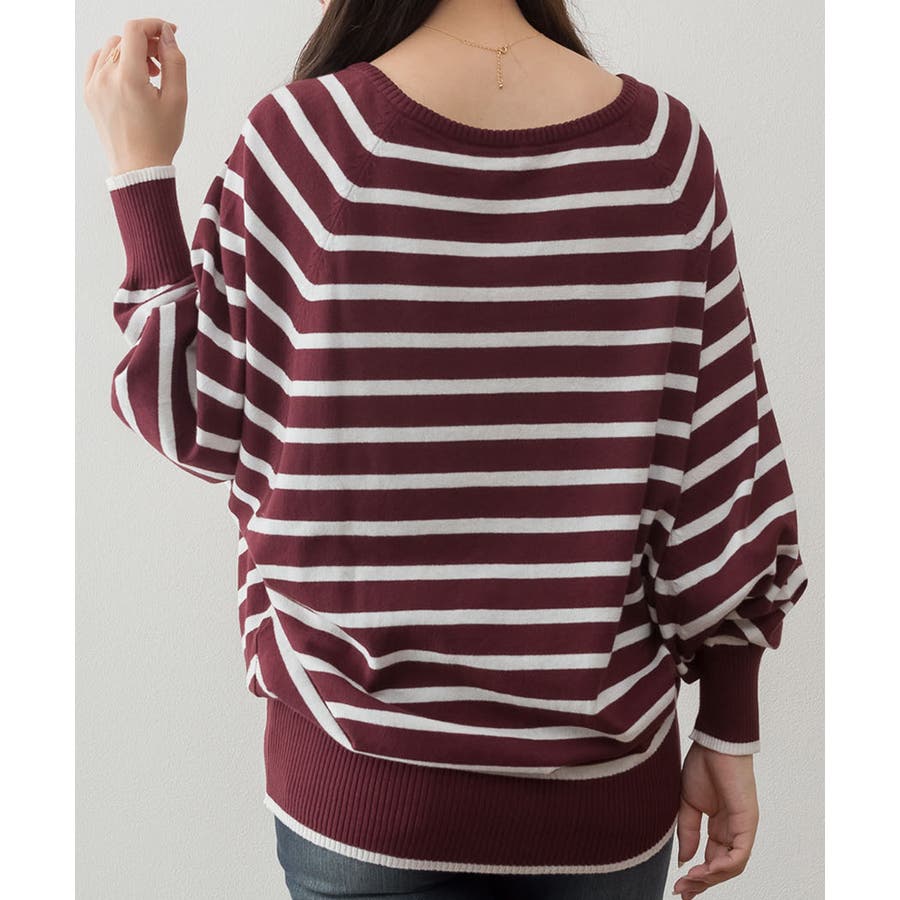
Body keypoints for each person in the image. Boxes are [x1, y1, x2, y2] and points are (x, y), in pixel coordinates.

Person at [83, 2, 811, 898]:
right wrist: (729, 723)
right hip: (602, 802)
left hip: (362, 798)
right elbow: (721, 473)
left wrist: (138, 168)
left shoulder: (306, 144)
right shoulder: (664, 155)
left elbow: (191, 416)